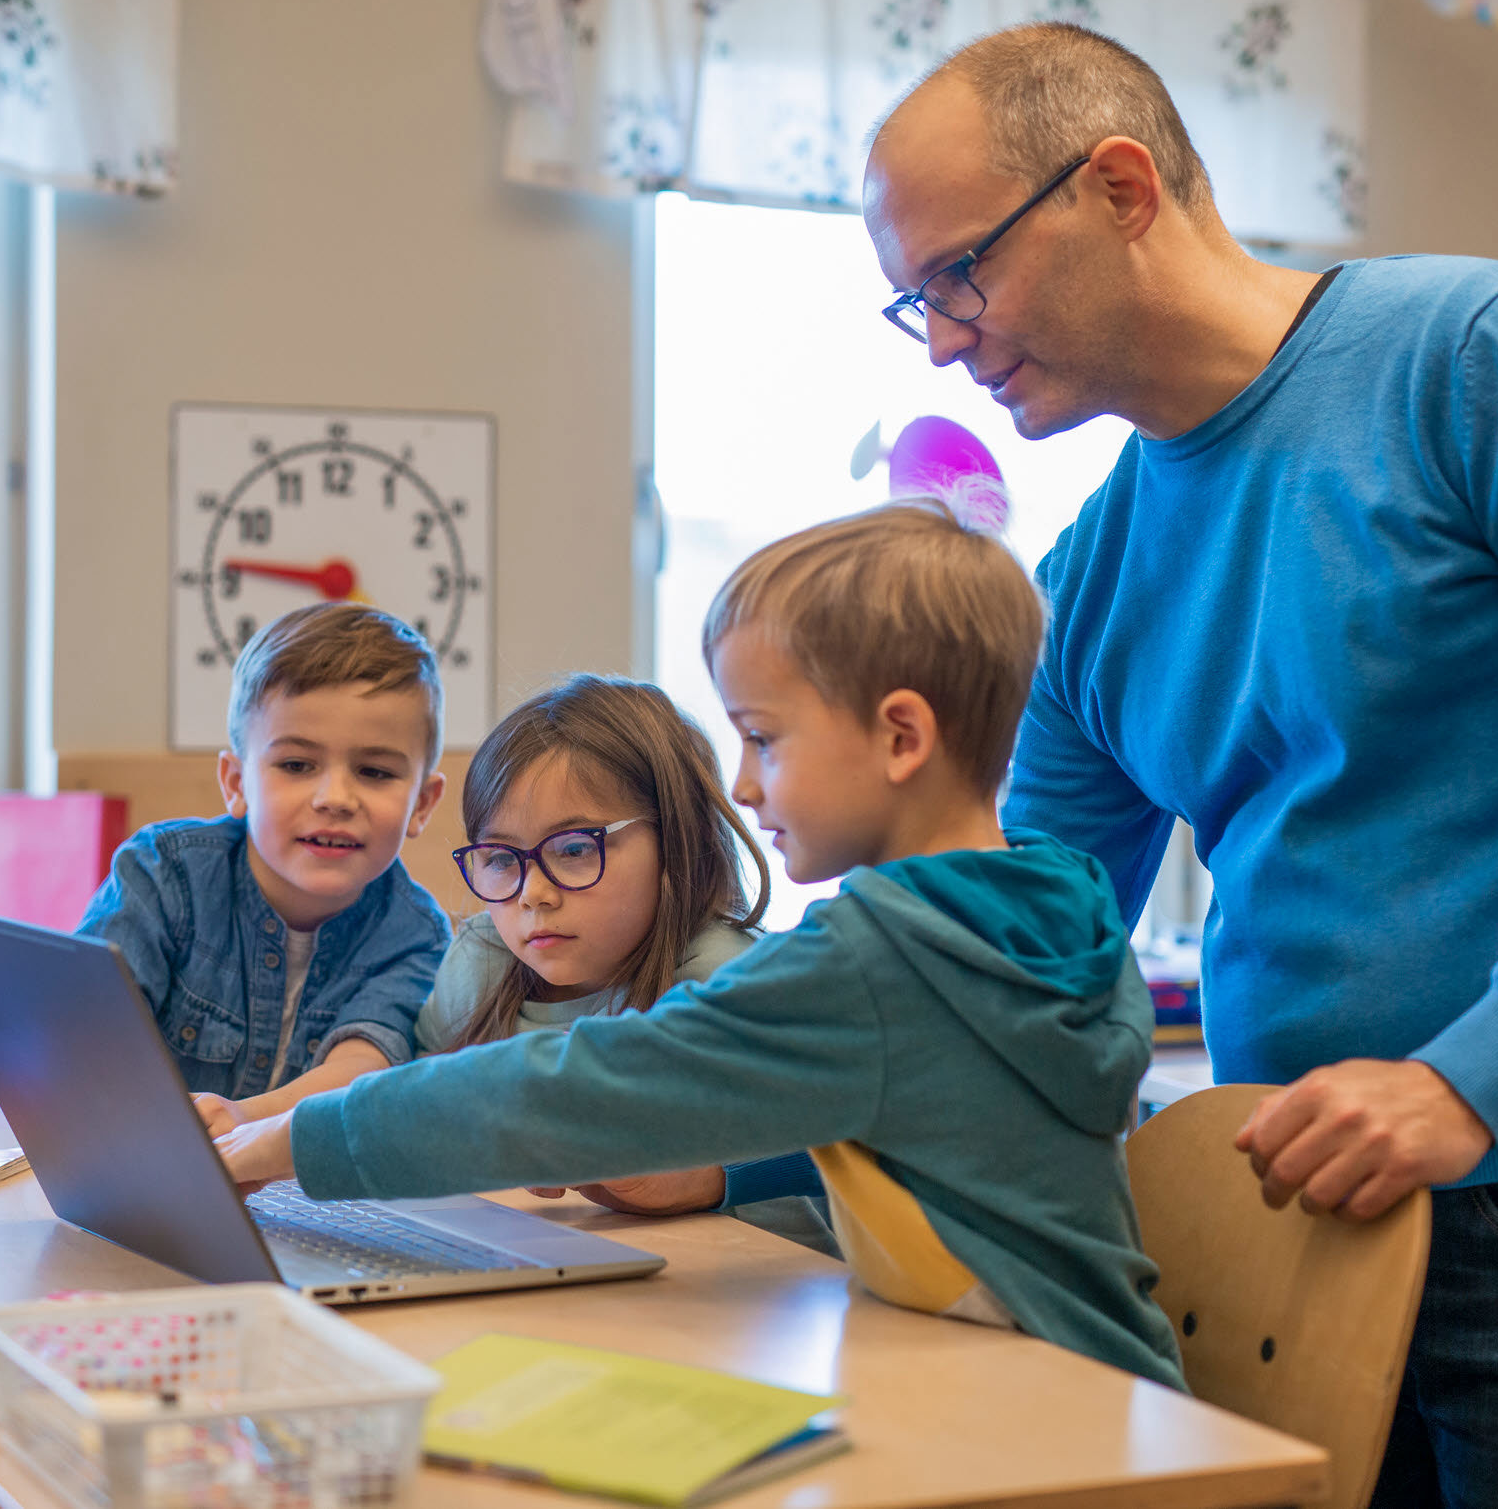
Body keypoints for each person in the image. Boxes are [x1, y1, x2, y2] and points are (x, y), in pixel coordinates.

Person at [860, 22, 1498, 1506]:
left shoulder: (1480, 357)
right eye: (910, 302)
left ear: (1120, 186)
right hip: (1301, 1219)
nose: (942, 338)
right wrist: (729, 1148)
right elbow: (1013, 954)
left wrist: (1471, 1077)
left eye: (959, 274)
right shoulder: (1095, 575)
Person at [215, 502, 1186, 1387]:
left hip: (1051, 1412)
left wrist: (284, 1144)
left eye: (763, 738)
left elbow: (569, 1088)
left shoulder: (879, 961)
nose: (746, 785)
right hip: (1111, 1390)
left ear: (900, 738)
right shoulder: (1043, 904)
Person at [404, 671, 829, 1245]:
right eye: (501, 858)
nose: (533, 892)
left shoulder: (731, 982)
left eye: (575, 849)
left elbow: (838, 1152)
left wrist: (706, 1179)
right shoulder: (480, 961)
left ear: (678, 841)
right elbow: (417, 1099)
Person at [76, 601, 451, 1109]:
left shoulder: (415, 935)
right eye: (297, 765)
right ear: (237, 783)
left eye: (375, 772)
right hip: (142, 1172)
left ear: (422, 805)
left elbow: (360, 1073)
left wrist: (238, 1123)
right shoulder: (163, 874)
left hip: (310, 1187)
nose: (335, 798)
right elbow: (88, 1033)